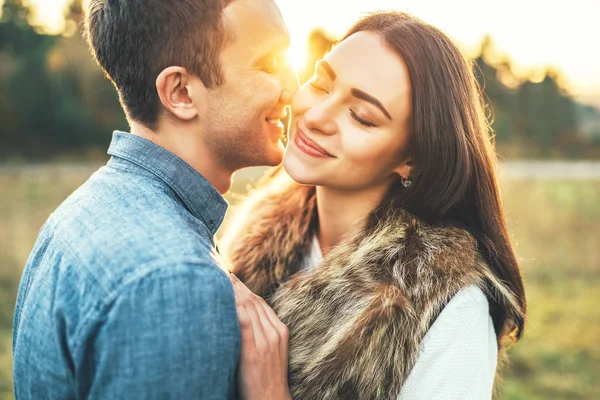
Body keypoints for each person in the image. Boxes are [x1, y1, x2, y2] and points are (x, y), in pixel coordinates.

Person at [221, 11, 527, 400]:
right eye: (320, 83)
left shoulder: (448, 308)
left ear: (411, 158)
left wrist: (268, 392)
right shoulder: (251, 235)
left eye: (362, 117)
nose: (316, 117)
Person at [12, 0, 297, 398]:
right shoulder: (173, 282)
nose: (293, 88)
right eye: (268, 64)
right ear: (180, 92)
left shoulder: (84, 209)